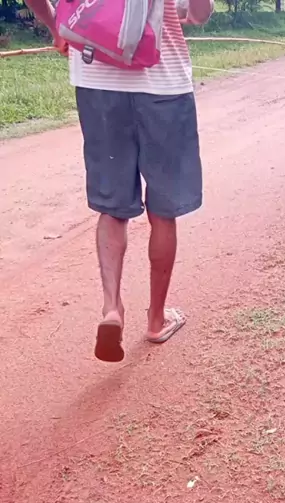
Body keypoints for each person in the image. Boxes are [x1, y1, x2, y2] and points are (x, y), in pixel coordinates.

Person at [25, 0, 213, 362]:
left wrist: (54, 25)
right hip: (163, 84)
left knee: (112, 207)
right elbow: (198, 14)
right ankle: (156, 320)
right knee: (163, 210)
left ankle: (112, 307)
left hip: (96, 82)